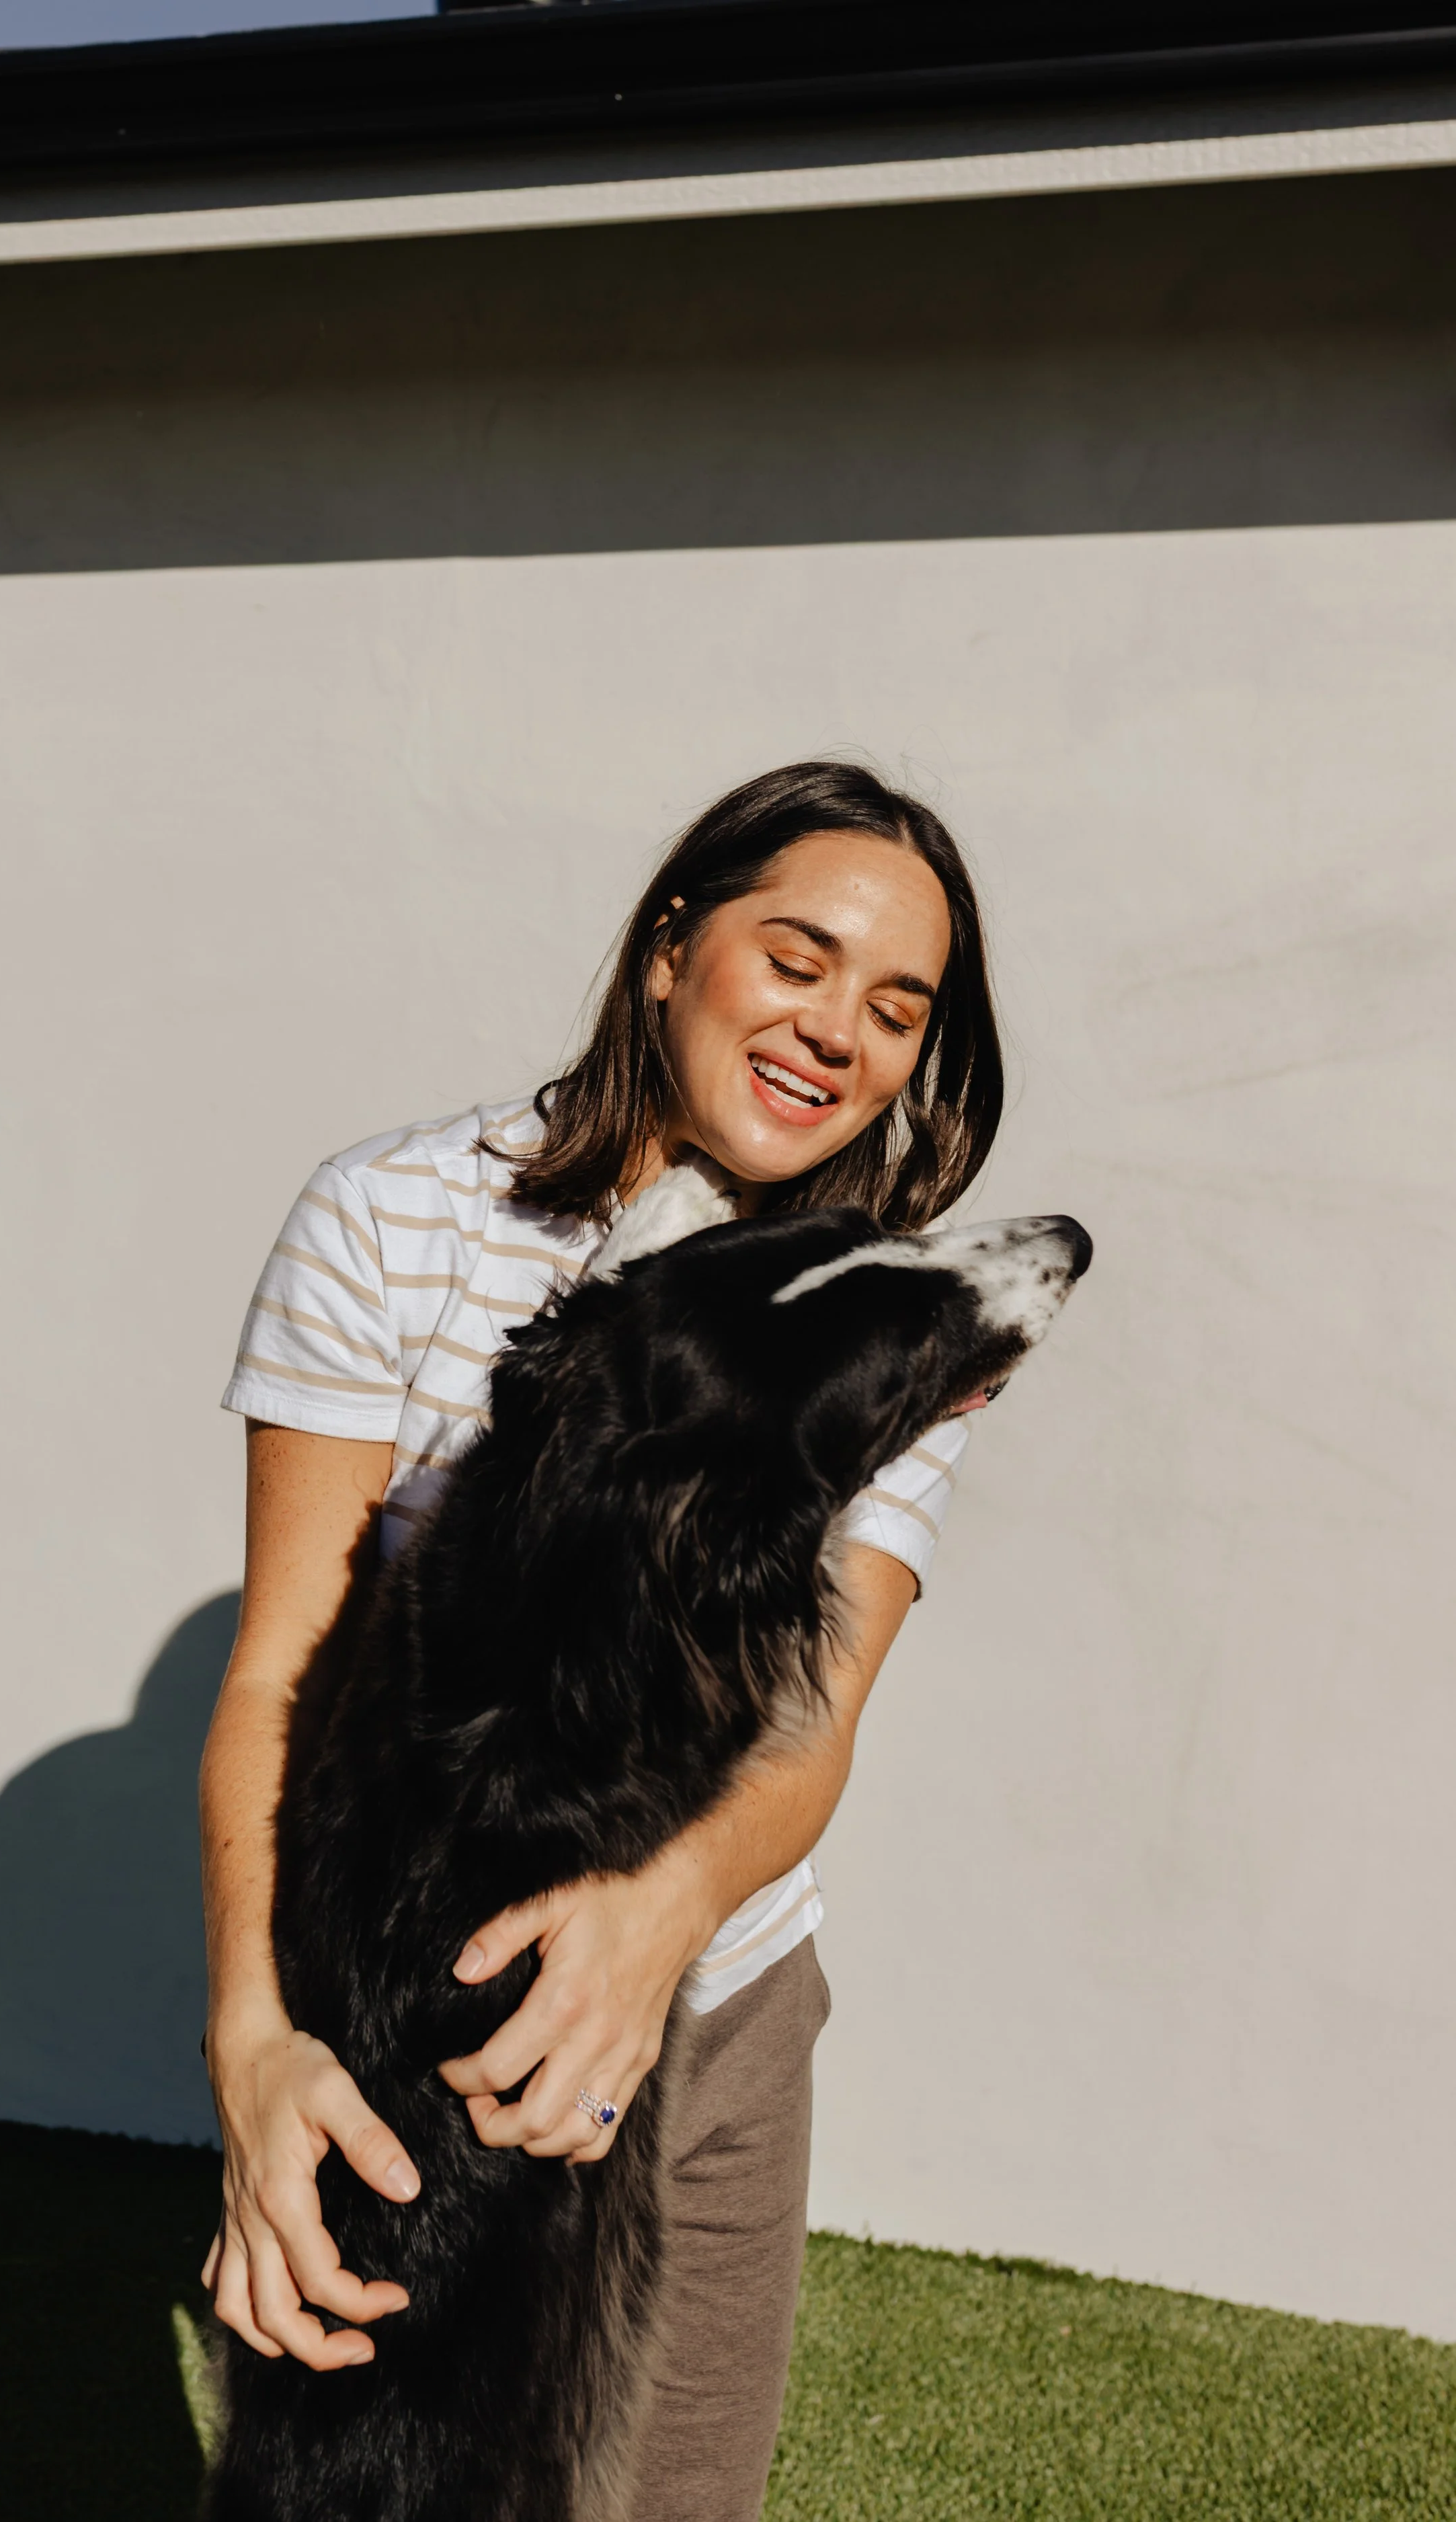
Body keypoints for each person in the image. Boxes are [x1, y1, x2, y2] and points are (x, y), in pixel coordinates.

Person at [200, 759, 1004, 2521]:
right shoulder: (392, 1217)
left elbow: (813, 1717)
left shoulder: (876, 1320)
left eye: (892, 1007)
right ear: (667, 945)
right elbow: (280, 1669)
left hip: (717, 2012)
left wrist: (658, 1927)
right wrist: (256, 2045)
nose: (833, 1032)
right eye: (794, 958)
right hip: (421, 2034)